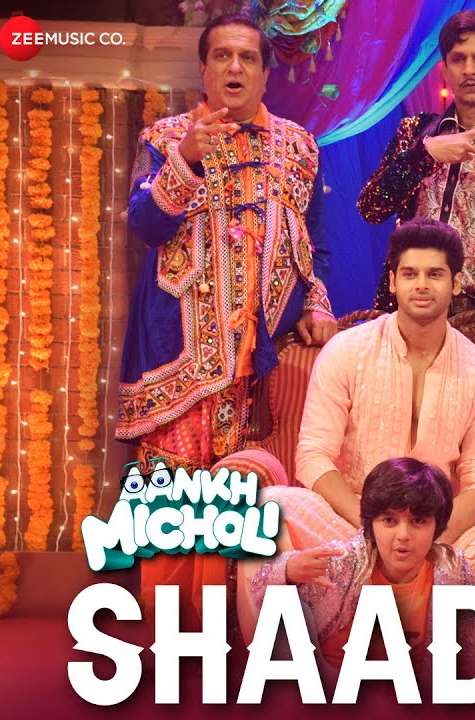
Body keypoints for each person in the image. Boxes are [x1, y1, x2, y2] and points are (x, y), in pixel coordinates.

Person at [119, 13, 337, 628]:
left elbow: (314, 242)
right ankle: (171, 633)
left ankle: (231, 631)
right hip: (178, 357)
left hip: (256, 363)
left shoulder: (298, 147)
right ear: (204, 69)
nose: (234, 67)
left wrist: (316, 303)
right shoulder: (166, 137)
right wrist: (187, 160)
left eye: (247, 57)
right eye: (222, 56)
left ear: (266, 73)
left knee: (240, 501)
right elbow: (144, 226)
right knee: (173, 501)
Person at [251, 219, 475, 622]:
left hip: (438, 530)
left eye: (435, 274)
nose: (422, 285)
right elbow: (313, 457)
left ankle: (439, 652)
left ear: (455, 283)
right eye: (410, 274)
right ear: (393, 282)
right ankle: (289, 650)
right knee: (269, 509)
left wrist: (428, 536)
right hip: (351, 521)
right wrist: (369, 526)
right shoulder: (347, 351)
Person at [359, 10, 475, 314]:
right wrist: (424, 156)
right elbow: (370, 208)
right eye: (459, 59)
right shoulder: (415, 133)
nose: (469, 70)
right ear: (445, 70)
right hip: (406, 306)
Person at [249, 457, 475, 682]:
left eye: (418, 521)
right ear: (372, 524)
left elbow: (468, 660)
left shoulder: (452, 571)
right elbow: (260, 597)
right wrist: (286, 569)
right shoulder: (345, 562)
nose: (403, 535)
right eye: (389, 521)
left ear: (437, 526)